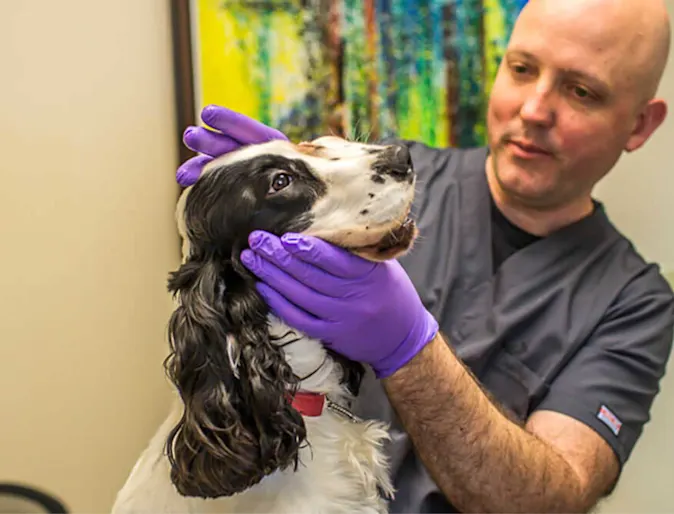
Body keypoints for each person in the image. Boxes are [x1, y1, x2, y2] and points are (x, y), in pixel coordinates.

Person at [175, 0, 674, 511]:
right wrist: (274, 186)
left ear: (638, 125)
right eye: (522, 69)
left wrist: (409, 347)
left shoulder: (633, 304)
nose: (534, 109)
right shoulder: (390, 185)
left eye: (581, 91)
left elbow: (548, 500)